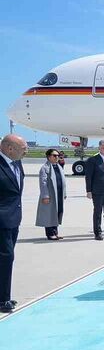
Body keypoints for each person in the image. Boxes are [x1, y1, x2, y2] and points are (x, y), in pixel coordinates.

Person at [0, 134, 26, 313]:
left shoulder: (17, 162)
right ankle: (3, 300)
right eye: (23, 148)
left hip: (13, 219)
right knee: (6, 257)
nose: (26, 151)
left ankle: (4, 295)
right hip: (1, 220)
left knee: (6, 258)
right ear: (9, 149)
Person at [36, 148, 67, 240]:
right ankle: (50, 234)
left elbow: (63, 181)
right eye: (54, 155)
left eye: (58, 156)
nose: (57, 157)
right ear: (49, 157)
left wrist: (64, 193)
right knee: (49, 214)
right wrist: (45, 195)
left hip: (59, 194)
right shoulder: (45, 168)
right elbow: (43, 183)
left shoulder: (58, 167)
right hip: (51, 195)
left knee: (57, 213)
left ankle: (55, 232)